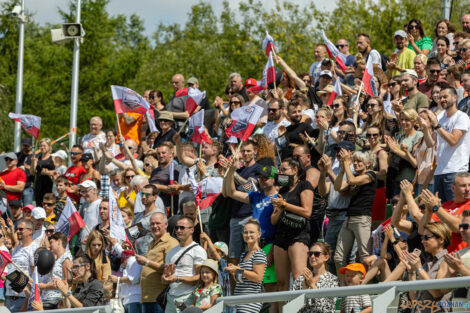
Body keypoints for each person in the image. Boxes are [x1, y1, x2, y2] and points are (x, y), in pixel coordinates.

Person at [270, 158, 313, 293]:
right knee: (281, 282)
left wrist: (285, 204)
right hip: (281, 235)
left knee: (298, 279)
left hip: (298, 235)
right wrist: (280, 208)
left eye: (284, 169)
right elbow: (273, 220)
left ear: (295, 170)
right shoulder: (282, 190)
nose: (280, 172)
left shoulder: (305, 185)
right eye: (280, 169)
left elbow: (307, 212)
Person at [422, 87, 470, 203]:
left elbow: (453, 140)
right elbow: (431, 143)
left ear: (454, 97)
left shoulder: (462, 117)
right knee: (442, 211)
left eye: (445, 97)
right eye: (440, 97)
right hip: (440, 171)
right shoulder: (440, 118)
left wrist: (437, 126)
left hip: (455, 170)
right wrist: (425, 129)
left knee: (456, 209)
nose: (442, 99)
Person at [334, 151, 377, 276]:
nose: (355, 163)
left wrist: (347, 163)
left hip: (362, 218)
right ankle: (342, 290)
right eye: (355, 161)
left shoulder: (371, 174)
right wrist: (342, 170)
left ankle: (366, 288)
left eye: (359, 161)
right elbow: (338, 188)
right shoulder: (352, 175)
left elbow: (353, 181)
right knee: (338, 257)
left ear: (368, 163)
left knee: (365, 257)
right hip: (349, 218)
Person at [402, 222, 453, 313]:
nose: (422, 241)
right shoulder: (427, 264)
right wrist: (411, 272)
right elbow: (413, 297)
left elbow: (436, 292)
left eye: (426, 237)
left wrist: (419, 268)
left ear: (441, 239)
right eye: (422, 238)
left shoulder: (447, 260)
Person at [162, 216, 207, 313]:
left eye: (182, 228)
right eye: (176, 228)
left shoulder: (198, 251)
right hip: (171, 298)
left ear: (192, 230)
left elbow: (201, 278)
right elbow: (163, 279)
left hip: (188, 298)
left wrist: (177, 278)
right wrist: (166, 277)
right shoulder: (171, 252)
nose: (178, 230)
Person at [136, 212, 178, 313]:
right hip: (146, 297)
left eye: (158, 223)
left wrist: (146, 262)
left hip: (159, 298)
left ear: (166, 224)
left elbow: (169, 269)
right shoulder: (151, 242)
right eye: (152, 224)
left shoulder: (171, 242)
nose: (155, 226)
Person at [419, 172, 470, 253]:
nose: (467, 189)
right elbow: (422, 230)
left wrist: (436, 207)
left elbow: (458, 227)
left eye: (469, 185)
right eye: (463, 186)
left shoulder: (440, 209)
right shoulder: (446, 206)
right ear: (453, 188)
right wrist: (429, 210)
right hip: (444, 258)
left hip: (462, 257)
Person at [226, 219, 266, 313]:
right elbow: (241, 280)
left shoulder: (259, 253)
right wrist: (234, 272)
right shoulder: (244, 254)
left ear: (259, 234)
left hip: (250, 304)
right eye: (245, 232)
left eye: (251, 232)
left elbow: (258, 277)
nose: (248, 235)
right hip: (240, 302)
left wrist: (239, 269)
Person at [292, 242, 339, 313]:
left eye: (316, 254)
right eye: (310, 254)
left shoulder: (333, 280)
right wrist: (304, 290)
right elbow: (291, 309)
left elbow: (327, 310)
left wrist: (313, 286)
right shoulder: (301, 279)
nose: (312, 256)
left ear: (326, 257)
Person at [385, 108, 423, 196]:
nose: (403, 122)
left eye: (407, 120)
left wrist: (396, 150)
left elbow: (416, 162)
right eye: (401, 119)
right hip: (396, 179)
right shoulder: (399, 137)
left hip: (409, 180)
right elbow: (389, 161)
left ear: (414, 121)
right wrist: (391, 151)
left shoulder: (419, 135)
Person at [5, 219, 39, 312]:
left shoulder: (34, 249)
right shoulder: (17, 249)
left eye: (21, 229)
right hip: (10, 296)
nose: (18, 231)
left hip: (23, 298)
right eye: (17, 229)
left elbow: (34, 275)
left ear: (30, 231)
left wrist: (27, 300)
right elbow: (12, 270)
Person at [40, 232, 73, 310]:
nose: (50, 246)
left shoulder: (66, 258)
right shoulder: (56, 259)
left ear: (59, 242)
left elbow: (68, 283)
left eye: (51, 242)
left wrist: (44, 286)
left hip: (56, 300)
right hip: (47, 299)